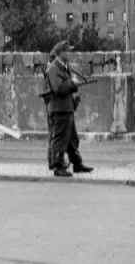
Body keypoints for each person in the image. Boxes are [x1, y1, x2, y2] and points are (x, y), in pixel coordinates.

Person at [44, 40, 93, 177]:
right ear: (61, 53)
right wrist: (73, 83)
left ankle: (77, 164)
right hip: (58, 109)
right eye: (68, 51)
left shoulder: (65, 67)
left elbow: (67, 86)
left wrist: (74, 92)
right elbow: (58, 88)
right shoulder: (53, 68)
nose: (70, 53)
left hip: (67, 108)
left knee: (72, 140)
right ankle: (58, 167)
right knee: (59, 139)